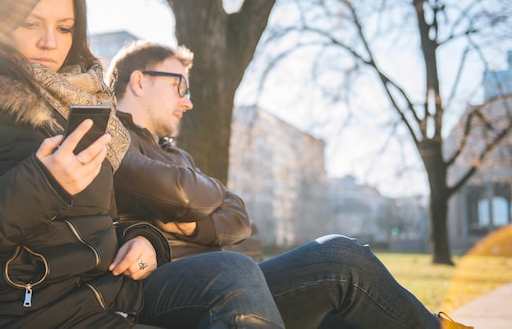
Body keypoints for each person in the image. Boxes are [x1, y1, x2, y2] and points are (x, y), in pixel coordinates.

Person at [0, 0, 286, 329]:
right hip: (17, 316)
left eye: (64, 28)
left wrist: (145, 239)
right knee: (236, 273)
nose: (50, 43)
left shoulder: (72, 108)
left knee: (326, 262)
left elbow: (95, 223)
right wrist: (43, 185)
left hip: (103, 301)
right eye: (31, 23)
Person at [106, 40, 474, 329]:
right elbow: (186, 195)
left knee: (349, 314)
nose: (187, 102)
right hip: (187, 288)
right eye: (179, 86)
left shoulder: (178, 155)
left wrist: (201, 218)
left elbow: (239, 217)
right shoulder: (115, 141)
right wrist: (207, 195)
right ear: (139, 81)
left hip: (234, 275)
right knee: (340, 257)